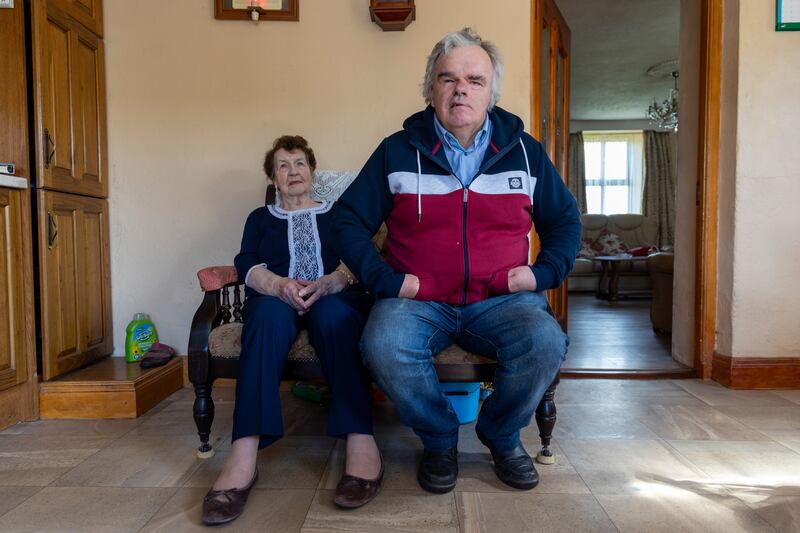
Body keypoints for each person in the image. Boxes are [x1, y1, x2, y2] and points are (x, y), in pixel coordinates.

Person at [333, 28, 581, 494]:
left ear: (491, 91)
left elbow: (566, 221)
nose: (460, 89)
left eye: (474, 79)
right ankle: (440, 438)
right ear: (431, 88)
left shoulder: (526, 153)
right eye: (448, 79)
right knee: (382, 341)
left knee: (546, 341)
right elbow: (346, 221)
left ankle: (502, 435)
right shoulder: (396, 150)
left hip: (501, 301)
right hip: (420, 300)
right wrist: (385, 281)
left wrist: (541, 273)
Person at [202, 136, 382, 526]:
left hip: (332, 294)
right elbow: (247, 263)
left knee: (334, 316)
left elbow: (360, 257)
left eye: (300, 163)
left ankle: (359, 438)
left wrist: (333, 281)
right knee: (265, 318)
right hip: (275, 296)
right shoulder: (259, 218)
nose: (293, 171)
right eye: (283, 165)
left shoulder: (340, 213)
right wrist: (279, 285)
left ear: (312, 172)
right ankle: (244, 453)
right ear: (273, 177)